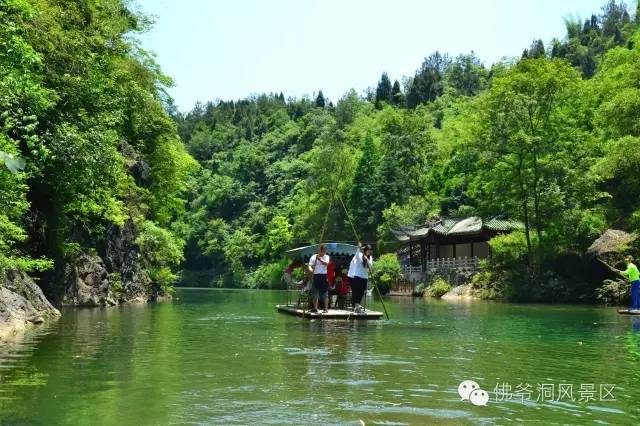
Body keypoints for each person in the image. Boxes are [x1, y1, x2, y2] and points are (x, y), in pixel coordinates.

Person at [348, 244, 373, 313]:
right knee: (356, 292)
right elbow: (356, 256)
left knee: (361, 292)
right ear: (365, 250)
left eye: (370, 250)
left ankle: (357, 306)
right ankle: (356, 306)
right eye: (368, 250)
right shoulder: (359, 255)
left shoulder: (370, 258)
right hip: (357, 276)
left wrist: (366, 259)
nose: (369, 252)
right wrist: (358, 247)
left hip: (365, 277)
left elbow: (370, 266)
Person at [308, 244, 330, 313]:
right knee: (315, 292)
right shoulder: (313, 257)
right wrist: (311, 269)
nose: (324, 252)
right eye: (323, 251)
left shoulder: (326, 256)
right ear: (320, 250)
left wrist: (319, 259)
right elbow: (309, 265)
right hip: (316, 275)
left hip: (323, 276)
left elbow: (326, 263)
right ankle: (315, 308)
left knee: (325, 293)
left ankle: (326, 309)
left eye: (325, 251)